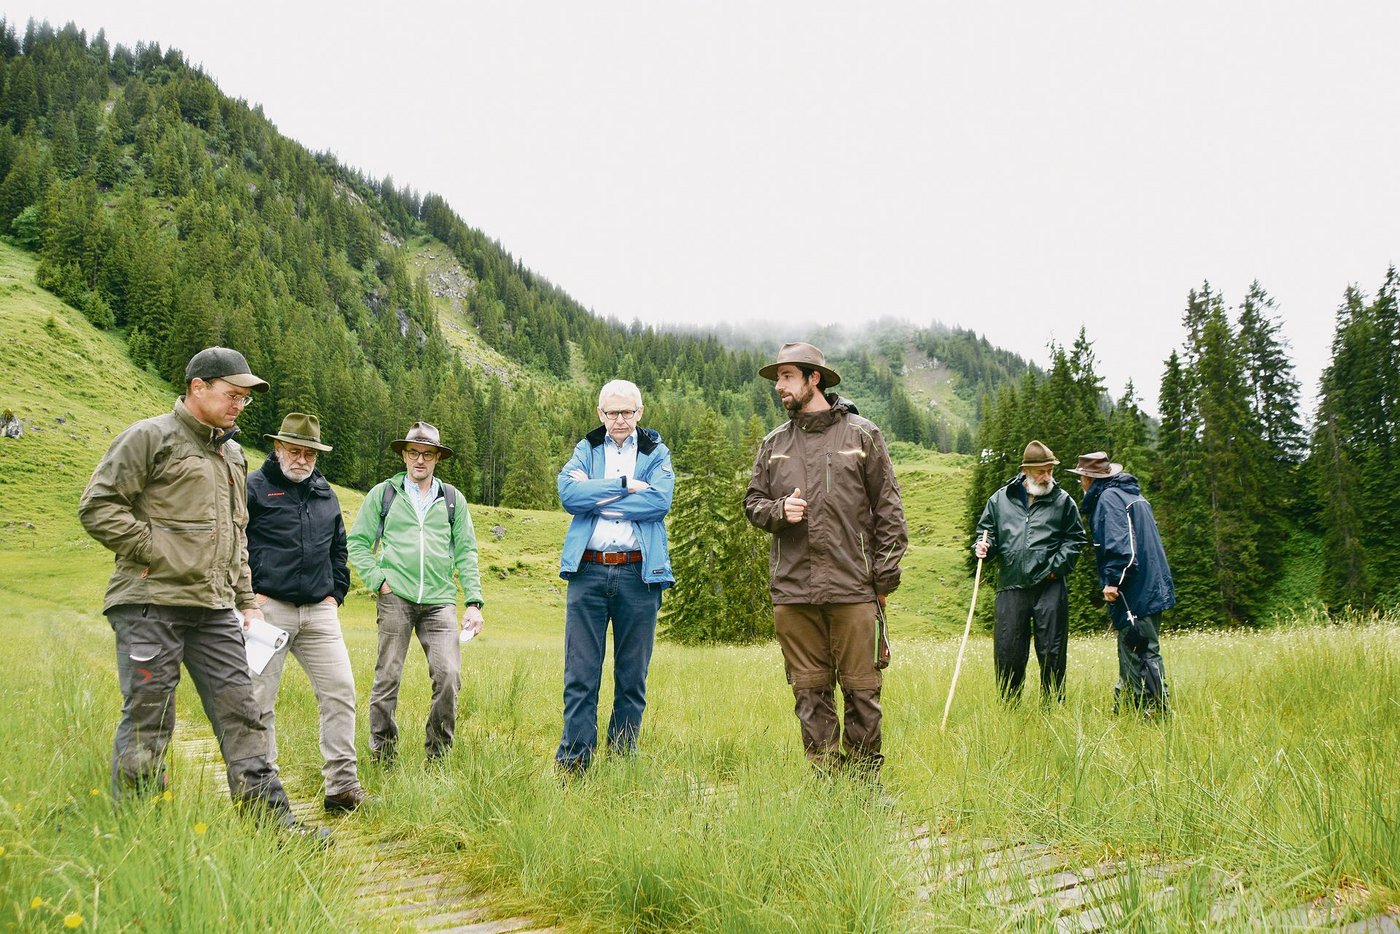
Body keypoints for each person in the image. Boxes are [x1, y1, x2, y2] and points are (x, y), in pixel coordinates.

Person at [78, 347, 317, 834]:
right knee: (149, 717)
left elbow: (236, 535)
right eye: (232, 394)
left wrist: (246, 601)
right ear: (198, 387)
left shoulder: (233, 455)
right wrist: (156, 549)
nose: (239, 405)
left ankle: (272, 827)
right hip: (149, 604)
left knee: (243, 712)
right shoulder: (150, 437)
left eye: (245, 399)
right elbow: (98, 506)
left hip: (214, 609)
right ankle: (139, 830)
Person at [744, 342, 908, 777]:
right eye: (777, 378)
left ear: (813, 378)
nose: (779, 386)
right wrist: (779, 511)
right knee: (809, 691)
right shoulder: (774, 444)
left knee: (862, 690)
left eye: (787, 376)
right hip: (793, 590)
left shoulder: (862, 435)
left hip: (854, 586)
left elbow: (890, 510)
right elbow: (753, 504)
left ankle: (865, 786)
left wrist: (882, 581)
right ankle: (825, 785)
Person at [246, 412, 369, 812]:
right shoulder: (254, 488)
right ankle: (263, 791)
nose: (302, 460)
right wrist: (249, 598)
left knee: (340, 691)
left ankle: (342, 787)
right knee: (259, 699)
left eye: (309, 454)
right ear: (278, 447)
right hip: (267, 611)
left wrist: (335, 595)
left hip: (319, 613)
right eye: (294, 451)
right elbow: (234, 545)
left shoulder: (324, 492)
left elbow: (339, 548)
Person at [554, 380, 674, 776]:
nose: (619, 419)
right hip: (587, 571)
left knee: (632, 676)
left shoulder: (655, 452)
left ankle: (622, 764)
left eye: (626, 412)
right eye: (611, 412)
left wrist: (598, 500)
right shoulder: (586, 449)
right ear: (600, 413)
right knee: (580, 674)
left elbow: (658, 501)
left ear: (640, 412)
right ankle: (574, 765)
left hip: (638, 573)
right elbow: (569, 495)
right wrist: (623, 486)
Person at [347, 421, 485, 764]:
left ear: (437, 458)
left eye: (427, 454)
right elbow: (358, 543)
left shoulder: (452, 499)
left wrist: (473, 602)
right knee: (388, 676)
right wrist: (378, 581)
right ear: (404, 456)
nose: (419, 460)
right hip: (395, 596)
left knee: (449, 676)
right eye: (413, 453)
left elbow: (467, 552)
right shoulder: (384, 494)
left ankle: (438, 756)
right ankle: (383, 755)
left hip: (440, 601)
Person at [973, 440, 1084, 704]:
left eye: (1050, 471)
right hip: (1011, 585)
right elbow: (986, 533)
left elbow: (1075, 539)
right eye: (1040, 472)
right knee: (1008, 650)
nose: (1046, 477)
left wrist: (1055, 569)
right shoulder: (1000, 500)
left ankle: (1053, 707)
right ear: (1025, 471)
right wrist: (983, 545)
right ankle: (1009, 707)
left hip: (1050, 586)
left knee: (1052, 651)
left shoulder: (1063, 501)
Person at [1068, 451, 1174, 716]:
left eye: (1081, 478)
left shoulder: (1109, 499)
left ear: (1089, 479)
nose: (1081, 484)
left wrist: (1113, 581)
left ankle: (1148, 709)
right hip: (1151, 585)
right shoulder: (1131, 496)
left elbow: (1121, 546)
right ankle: (1137, 707)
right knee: (1140, 646)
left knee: (1138, 647)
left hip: (1135, 590)